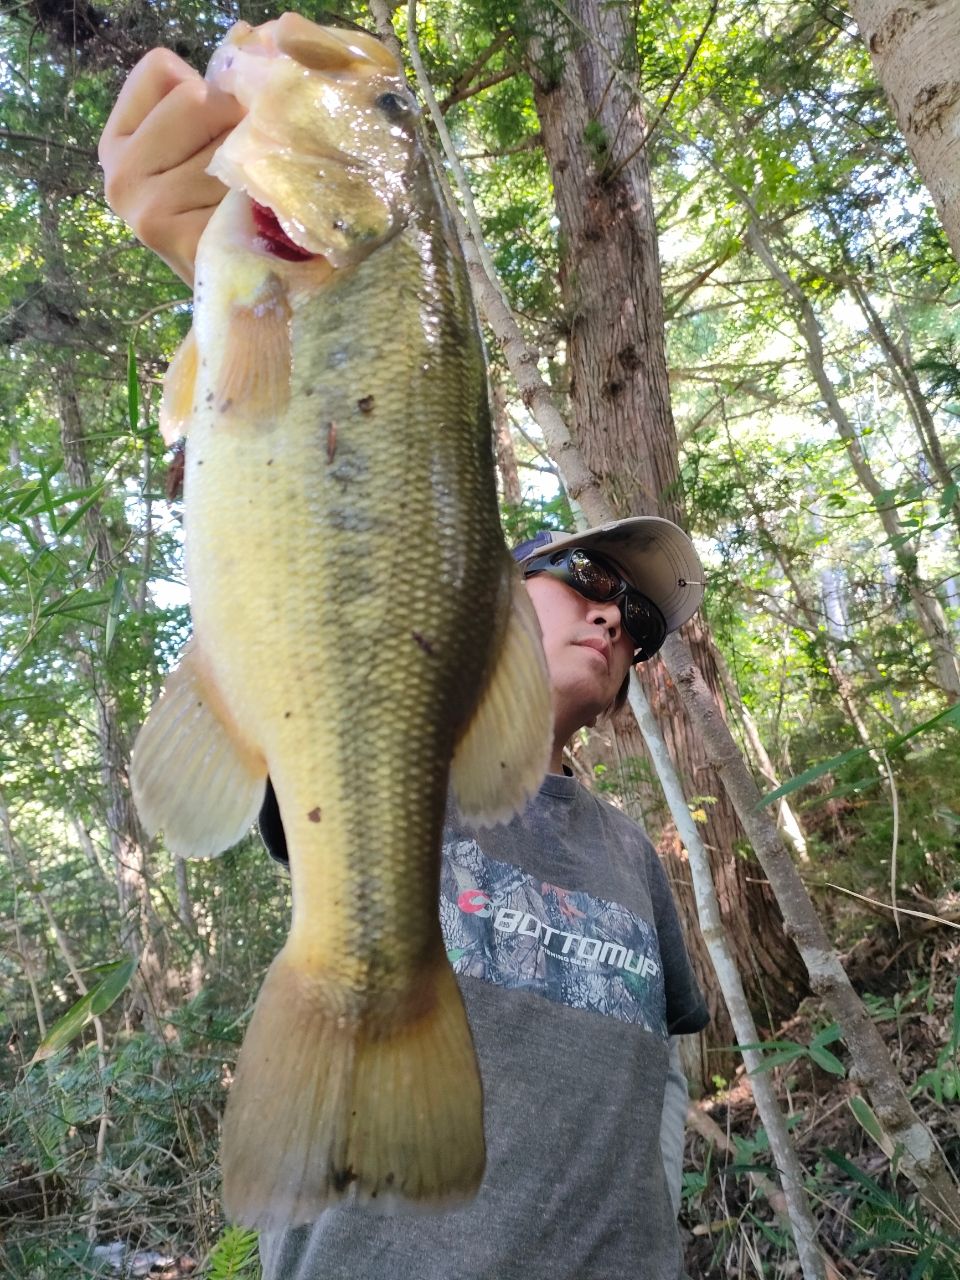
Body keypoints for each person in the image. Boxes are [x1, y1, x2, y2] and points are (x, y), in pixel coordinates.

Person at [99, 39, 710, 1280]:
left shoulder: (632, 856)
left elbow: (661, 1077)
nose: (614, 618)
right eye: (588, 580)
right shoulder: (400, 786)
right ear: (494, 589)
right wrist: (232, 269)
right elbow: (295, 522)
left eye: (640, 622)